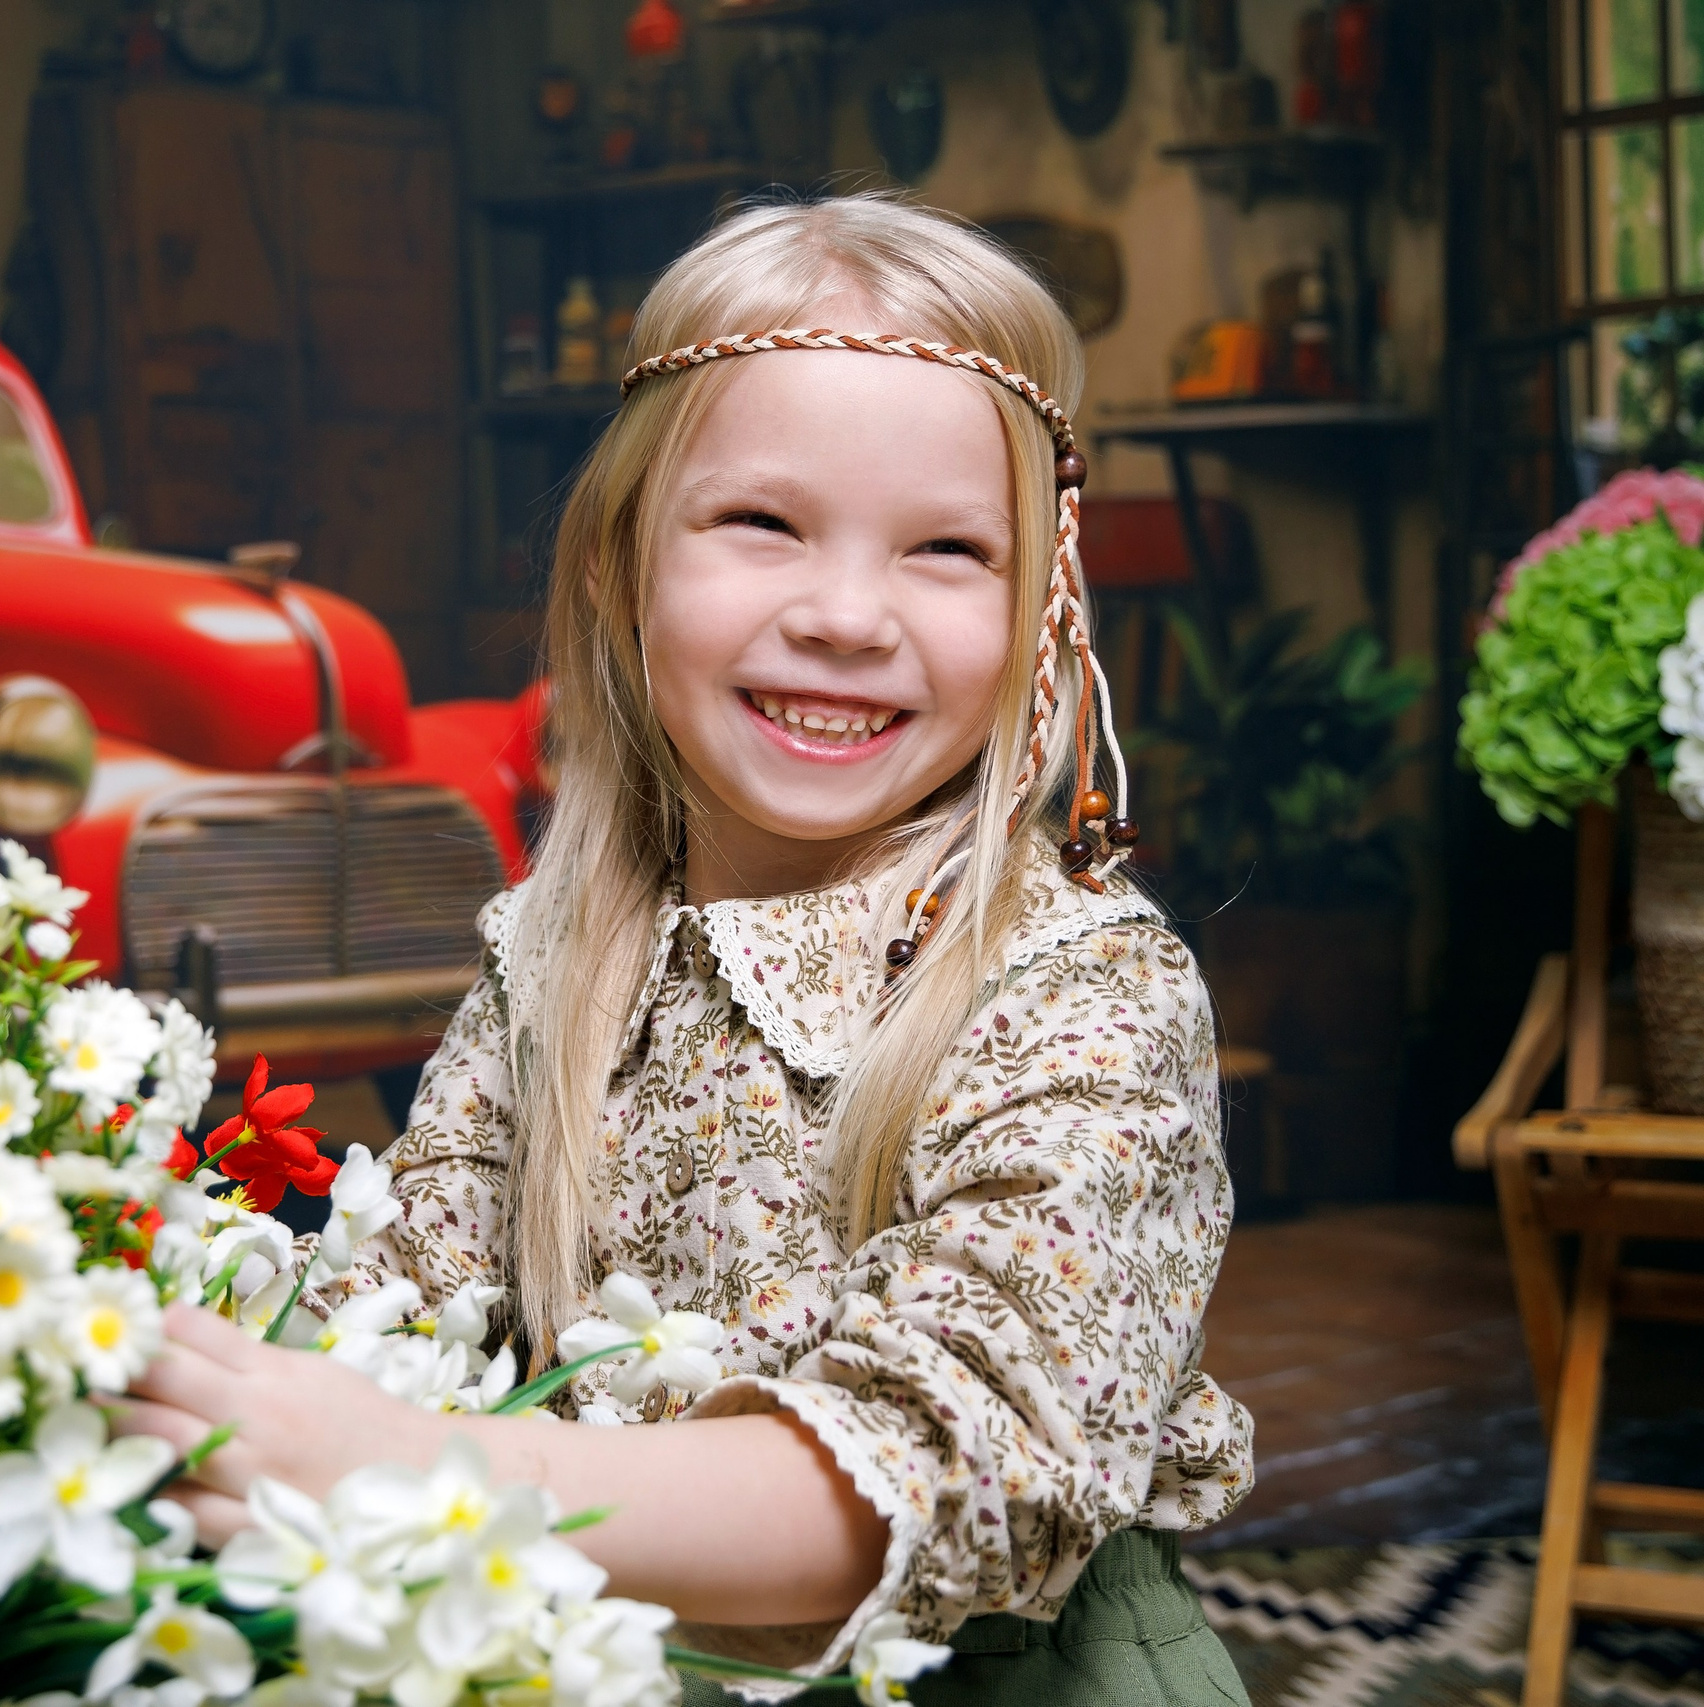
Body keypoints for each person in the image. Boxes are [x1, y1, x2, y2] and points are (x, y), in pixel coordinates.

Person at [113, 195, 1255, 1705]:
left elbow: (963, 1455)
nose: (847, 615)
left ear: (1042, 621)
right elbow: (398, 1307)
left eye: (947, 550)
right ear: (618, 570)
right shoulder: (551, 956)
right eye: (763, 523)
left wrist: (426, 1468)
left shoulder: (1085, 991)